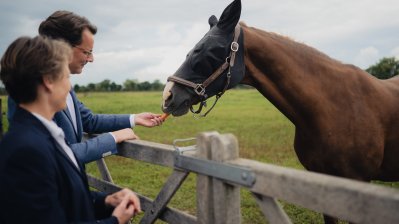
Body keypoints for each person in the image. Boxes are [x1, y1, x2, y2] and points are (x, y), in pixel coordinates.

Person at [0, 36, 140, 223]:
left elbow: (60, 200)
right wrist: (115, 221)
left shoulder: (43, 134)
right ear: (49, 81)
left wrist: (105, 201)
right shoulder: (26, 150)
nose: (70, 86)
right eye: (66, 76)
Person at [7, 10, 164, 164]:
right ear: (63, 47)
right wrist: (112, 138)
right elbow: (56, 157)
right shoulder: (28, 94)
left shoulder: (62, 87)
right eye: (87, 52)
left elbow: (89, 121)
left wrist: (134, 118)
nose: (91, 59)